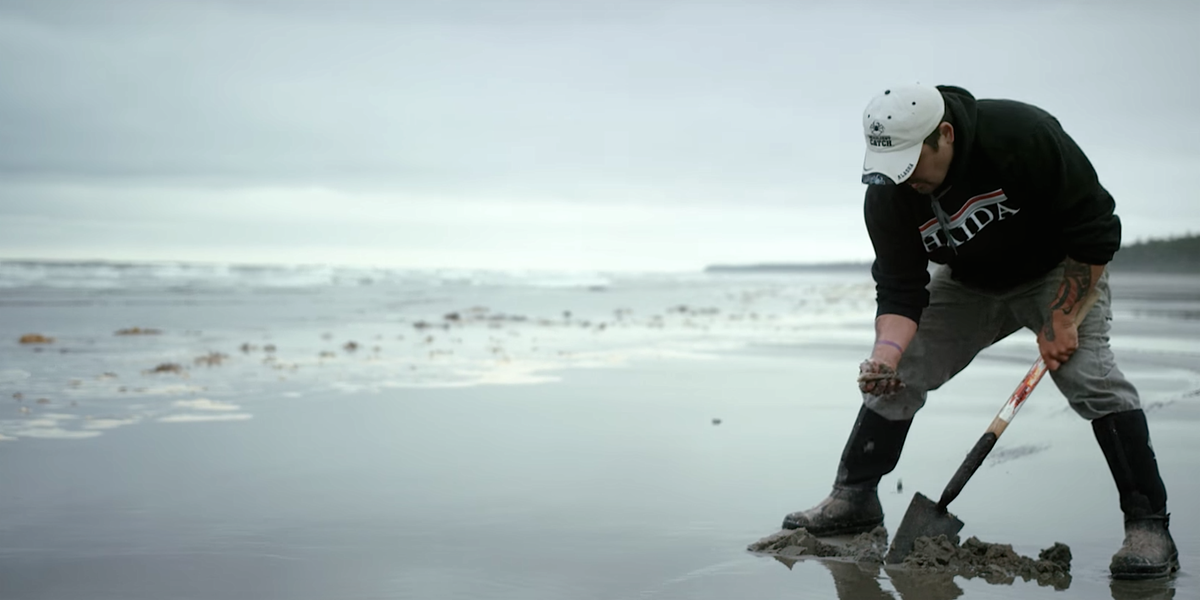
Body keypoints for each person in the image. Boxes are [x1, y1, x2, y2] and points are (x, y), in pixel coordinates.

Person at [780, 83, 1179, 580]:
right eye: (892, 170)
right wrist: (885, 354)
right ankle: (853, 497)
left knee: (1090, 378)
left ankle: (1148, 527)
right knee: (901, 371)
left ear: (943, 135)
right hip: (968, 285)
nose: (903, 182)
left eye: (911, 165)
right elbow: (901, 289)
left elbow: (1095, 227)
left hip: (1060, 270)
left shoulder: (1022, 136)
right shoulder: (888, 192)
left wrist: (1063, 316)